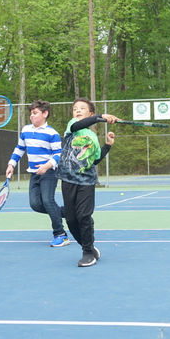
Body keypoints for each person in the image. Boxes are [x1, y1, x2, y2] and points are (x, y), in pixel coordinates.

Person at [57, 98, 119, 267]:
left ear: (90, 113)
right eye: (75, 108)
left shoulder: (92, 137)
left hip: (87, 181)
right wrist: (101, 117)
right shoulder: (72, 126)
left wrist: (108, 145)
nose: (77, 110)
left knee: (83, 216)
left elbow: (95, 160)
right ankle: (89, 247)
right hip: (68, 179)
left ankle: (87, 252)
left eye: (82, 108)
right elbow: (80, 124)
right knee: (71, 219)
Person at [5, 100, 69, 247]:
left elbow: (58, 154)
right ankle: (67, 213)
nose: (31, 116)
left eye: (35, 113)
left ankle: (60, 234)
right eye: (31, 113)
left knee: (48, 201)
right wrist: (11, 164)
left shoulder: (52, 133)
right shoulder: (26, 130)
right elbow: (20, 149)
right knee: (35, 204)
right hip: (34, 173)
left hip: (49, 173)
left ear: (45, 114)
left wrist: (47, 166)